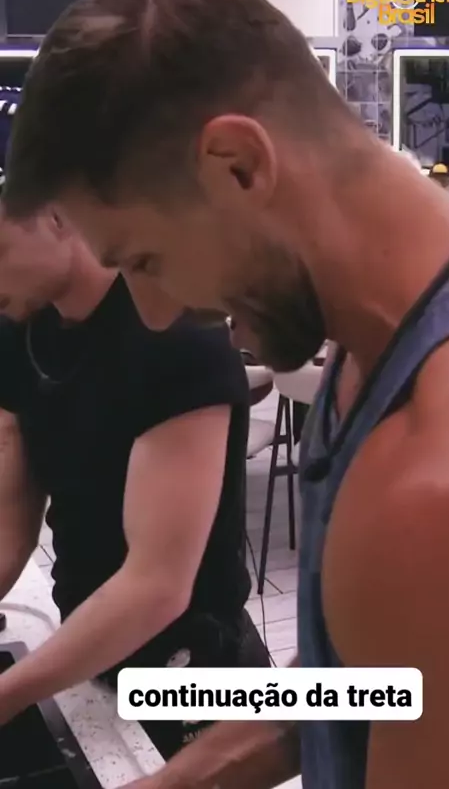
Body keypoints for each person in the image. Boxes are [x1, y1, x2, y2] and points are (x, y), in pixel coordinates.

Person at [3, 0, 449, 789]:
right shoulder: (368, 352)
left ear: (237, 166)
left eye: (145, 260)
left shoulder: (443, 477)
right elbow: (365, 686)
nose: (154, 314)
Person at [0, 95, 269, 760]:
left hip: (195, 674)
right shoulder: (19, 329)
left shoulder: (174, 335)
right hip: (92, 649)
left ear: (59, 215)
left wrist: (7, 695)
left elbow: (156, 586)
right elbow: (8, 525)